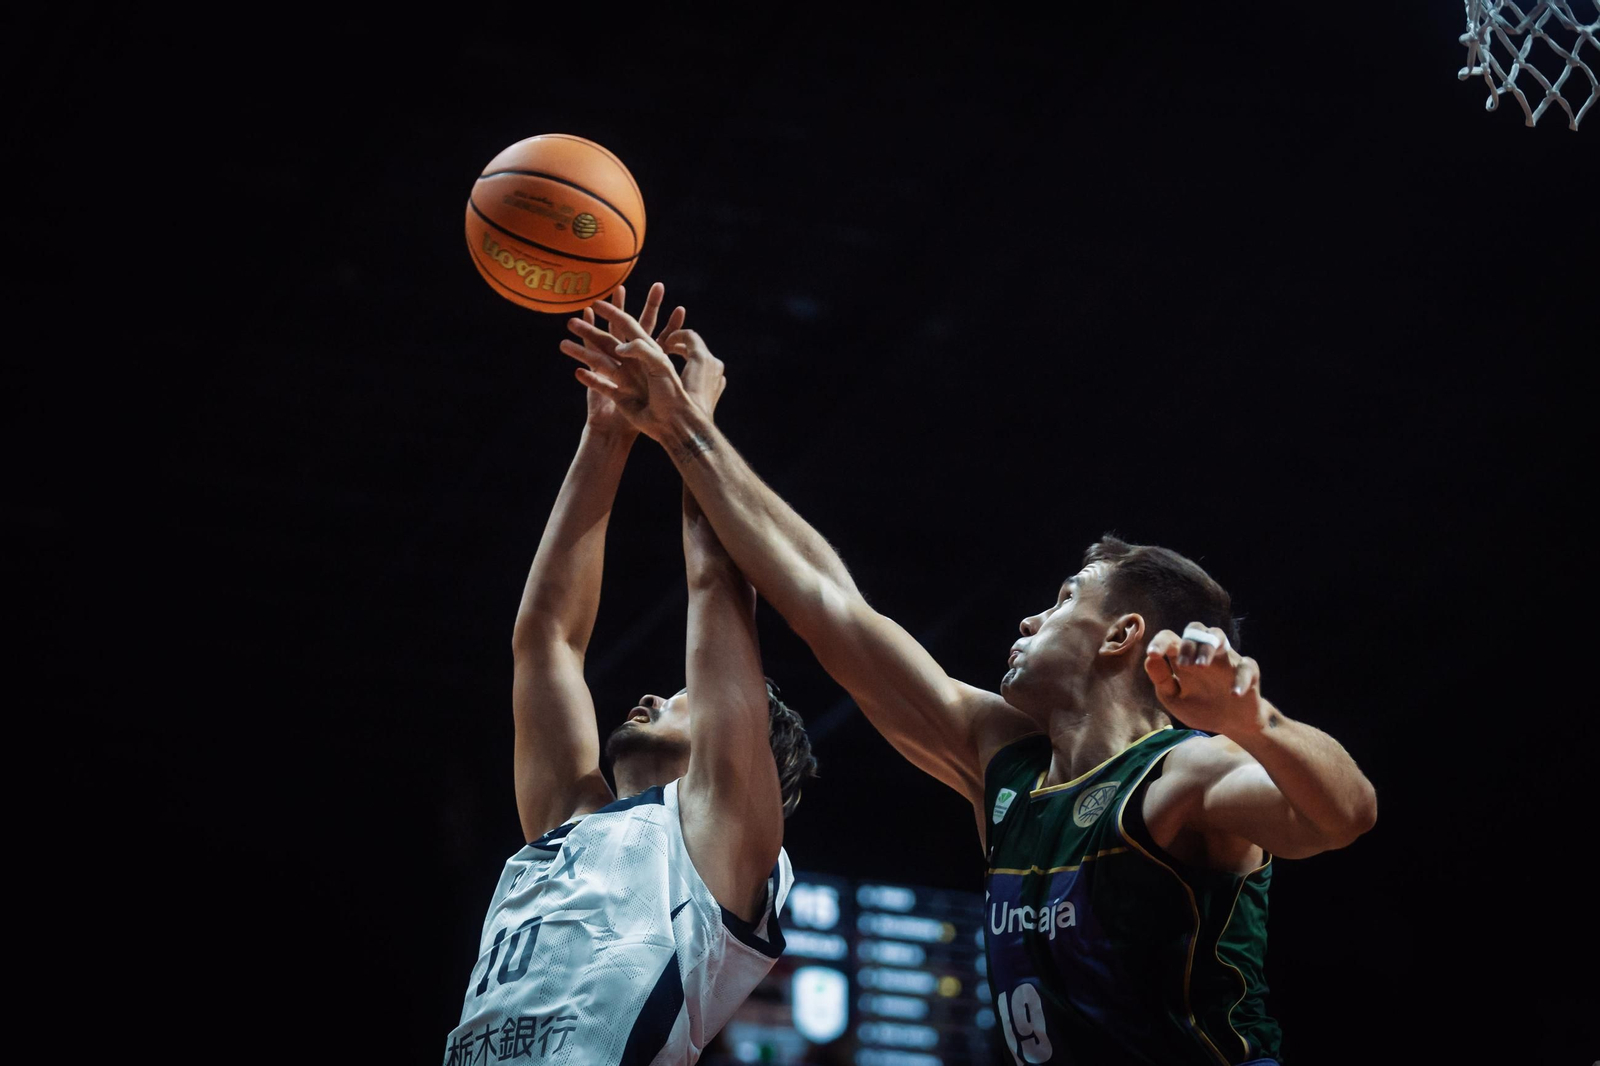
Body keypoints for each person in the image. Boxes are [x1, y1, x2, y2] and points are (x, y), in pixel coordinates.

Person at [561, 298, 1378, 1066]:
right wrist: (686, 431)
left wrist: (1254, 720)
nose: (1027, 622)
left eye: (1062, 600)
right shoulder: (1003, 760)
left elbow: (1343, 815)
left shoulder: (1183, 774)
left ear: (1125, 636)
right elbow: (827, 602)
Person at [445, 285, 817, 1066]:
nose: (652, 696)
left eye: (681, 700)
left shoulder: (720, 841)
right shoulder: (570, 829)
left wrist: (690, 427)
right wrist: (607, 432)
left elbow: (719, 589)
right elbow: (546, 637)